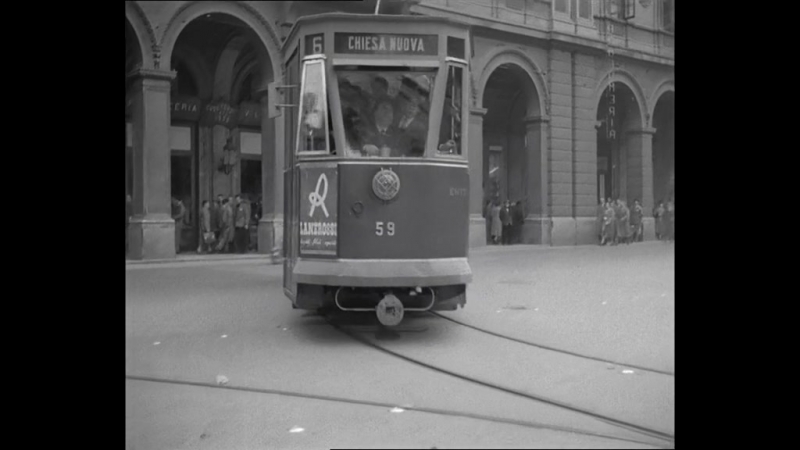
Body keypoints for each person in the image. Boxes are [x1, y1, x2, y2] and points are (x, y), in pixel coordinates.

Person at [395, 92, 427, 157]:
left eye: (415, 106)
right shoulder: (394, 119)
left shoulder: (420, 128)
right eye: (410, 103)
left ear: (419, 110)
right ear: (404, 104)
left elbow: (419, 149)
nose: (411, 108)